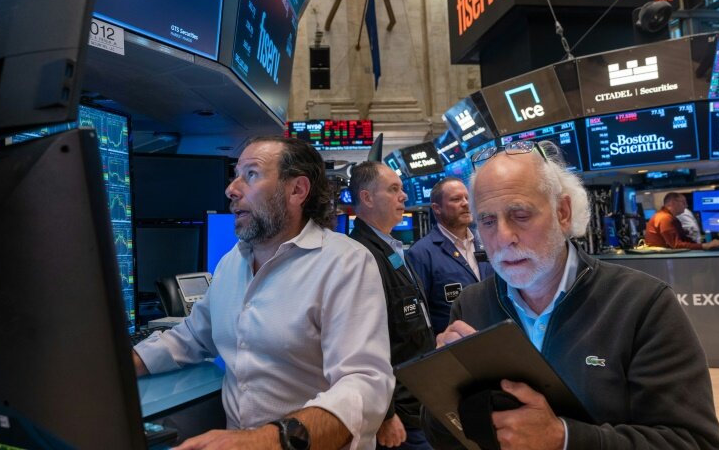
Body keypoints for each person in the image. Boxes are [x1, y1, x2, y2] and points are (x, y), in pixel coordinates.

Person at [423, 140, 719, 449]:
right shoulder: (471, 305)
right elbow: (443, 436)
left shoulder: (642, 305)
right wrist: (445, 383)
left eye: (520, 215)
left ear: (562, 213)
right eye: (487, 220)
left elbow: (693, 442)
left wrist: (564, 438)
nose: (503, 237)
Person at [133, 137, 394, 450]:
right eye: (236, 174)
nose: (232, 188)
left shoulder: (344, 262)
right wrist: (119, 364)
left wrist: (266, 441)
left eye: (251, 174)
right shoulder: (233, 261)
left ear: (297, 190)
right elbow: (191, 337)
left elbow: (365, 385)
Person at [349, 161, 436, 450]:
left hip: (419, 400)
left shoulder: (390, 247)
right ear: (367, 197)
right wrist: (386, 414)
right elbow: (362, 345)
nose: (404, 197)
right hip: (399, 414)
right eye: (394, 189)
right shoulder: (361, 257)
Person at [406, 177, 493, 334]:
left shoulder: (487, 240)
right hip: (455, 345)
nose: (466, 203)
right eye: (456, 199)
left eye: (467, 198)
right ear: (437, 208)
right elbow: (419, 315)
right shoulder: (421, 253)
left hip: (496, 334)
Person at [645, 192, 719, 250]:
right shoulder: (665, 218)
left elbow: (683, 239)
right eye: (683, 203)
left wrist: (706, 244)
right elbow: (676, 245)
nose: (686, 206)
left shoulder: (670, 217)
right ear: (672, 203)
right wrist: (705, 246)